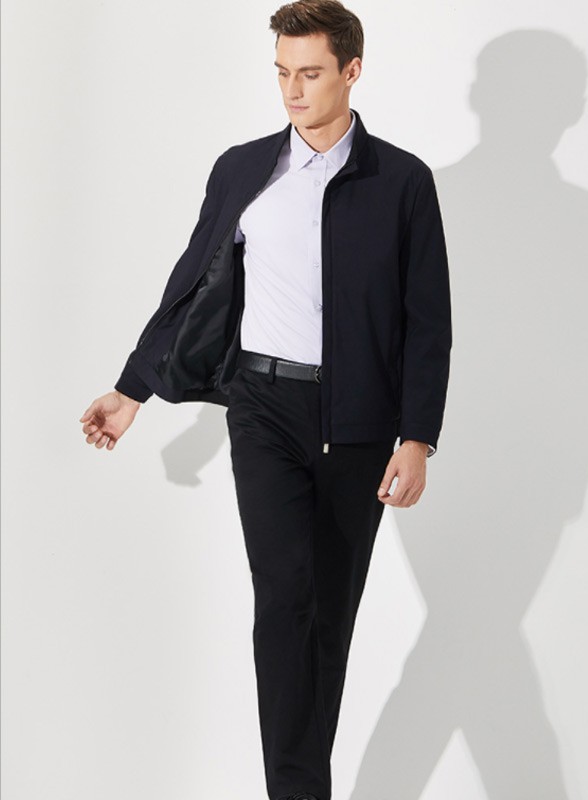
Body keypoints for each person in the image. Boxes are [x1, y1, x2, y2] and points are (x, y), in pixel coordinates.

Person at [79, 1, 452, 798]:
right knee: (284, 600)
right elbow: (191, 282)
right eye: (282, 72)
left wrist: (417, 437)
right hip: (262, 408)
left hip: (359, 425)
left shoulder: (403, 182)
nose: (292, 90)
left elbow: (429, 322)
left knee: (330, 617)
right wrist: (133, 387)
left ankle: (301, 781)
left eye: (310, 73)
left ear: (352, 71)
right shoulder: (244, 170)